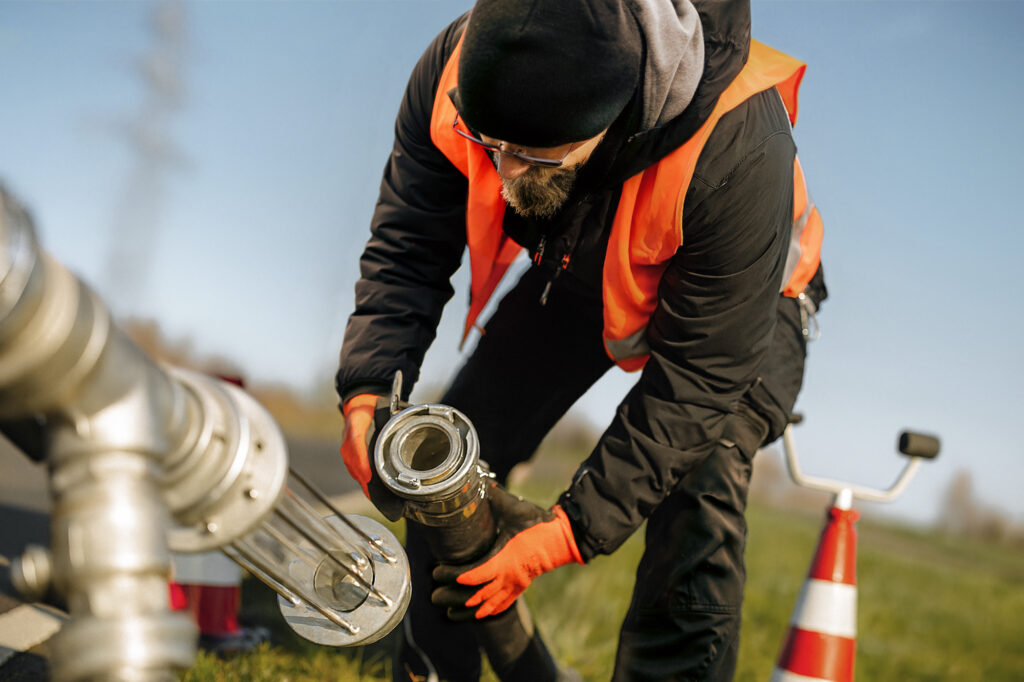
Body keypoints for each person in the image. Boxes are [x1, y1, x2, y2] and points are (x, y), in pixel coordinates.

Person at [335, 0, 828, 679]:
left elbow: (701, 380)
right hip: (585, 270)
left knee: (700, 481)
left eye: (534, 156)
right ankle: (439, 668)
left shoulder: (738, 147)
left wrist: (567, 531)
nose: (505, 175)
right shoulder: (463, 64)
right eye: (490, 146)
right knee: (449, 450)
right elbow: (411, 238)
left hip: (750, 303)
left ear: (614, 116)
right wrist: (368, 386)